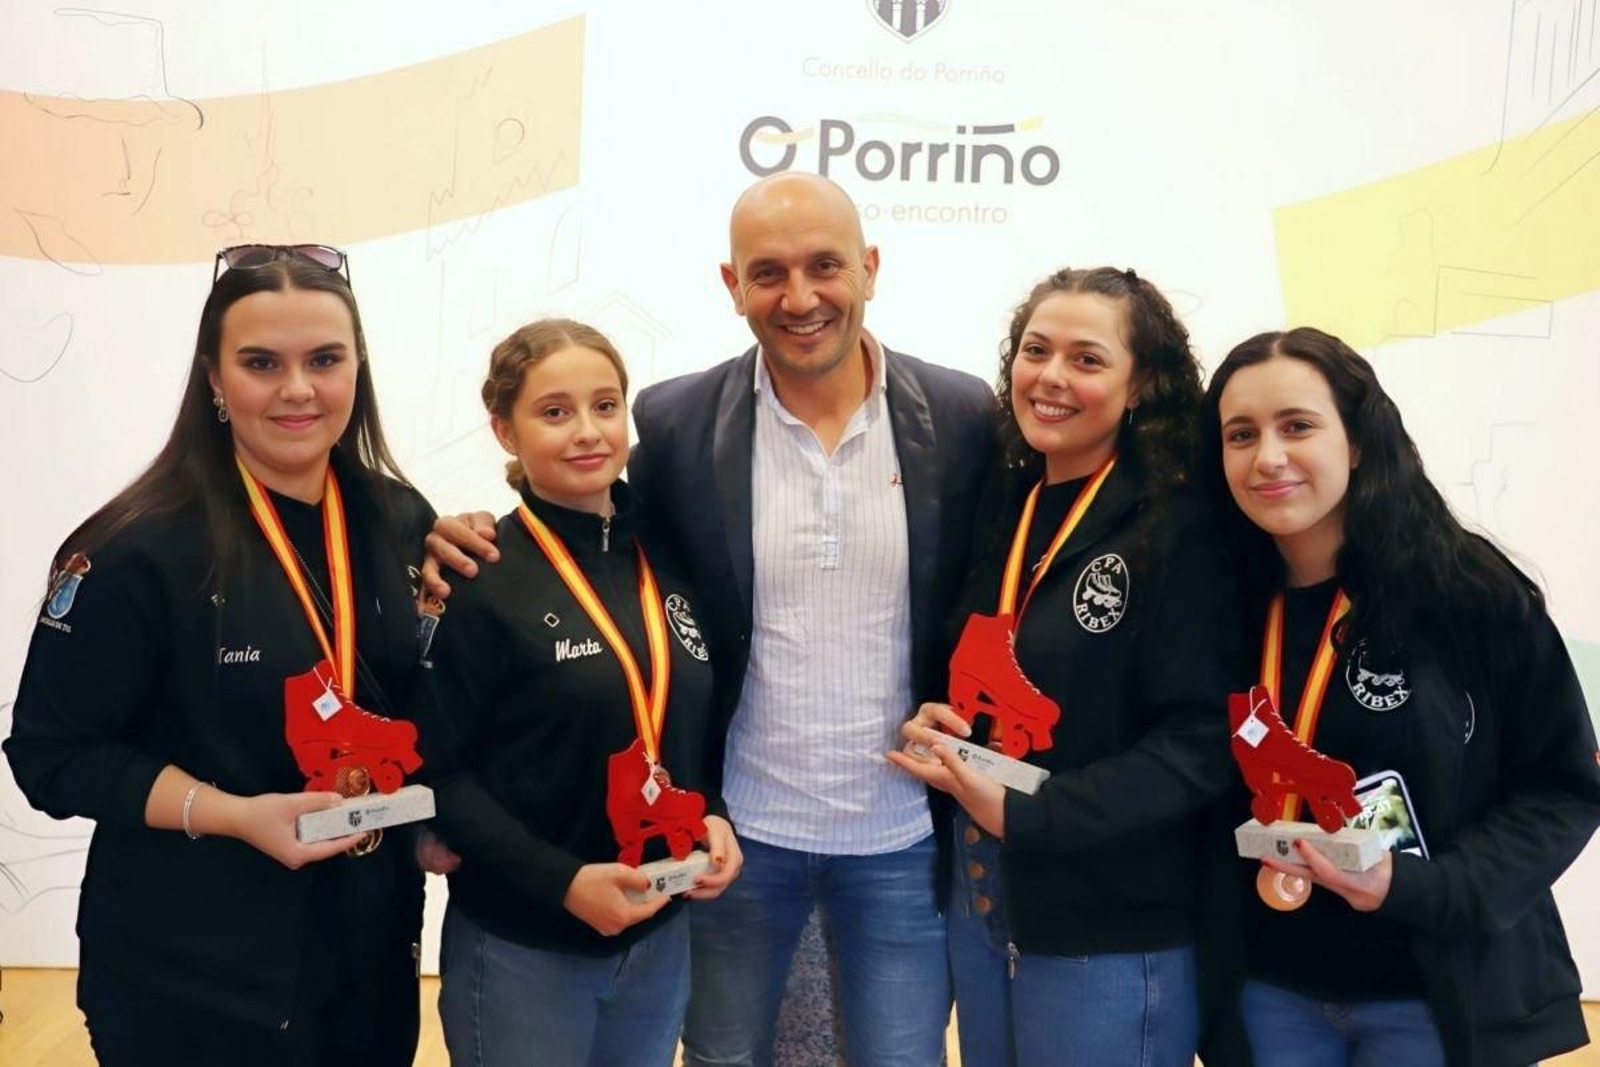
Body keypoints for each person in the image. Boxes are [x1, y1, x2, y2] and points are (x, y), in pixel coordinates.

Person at [424, 172, 996, 1066]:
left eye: (824, 266)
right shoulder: (681, 423)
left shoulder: (962, 416)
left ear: (870, 268)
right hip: (738, 836)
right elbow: (590, 553)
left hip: (897, 835)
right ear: (732, 286)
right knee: (720, 1055)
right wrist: (458, 537)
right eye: (767, 272)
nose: (799, 297)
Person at [4, 244, 435, 1065]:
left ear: (358, 367)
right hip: (192, 981)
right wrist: (233, 813)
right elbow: (51, 758)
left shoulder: (402, 519)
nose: (298, 389)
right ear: (212, 377)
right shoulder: (134, 546)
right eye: (261, 362)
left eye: (324, 359)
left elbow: (423, 703)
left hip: (368, 961)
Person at [1199, 326, 1600, 1066]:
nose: (1268, 457)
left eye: (1297, 426)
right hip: (1267, 994)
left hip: (1435, 996)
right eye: (1241, 434)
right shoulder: (1218, 600)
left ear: (1356, 441)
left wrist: (1425, 887)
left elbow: (1563, 787)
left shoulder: (1466, 590)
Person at [887, 266, 1236, 1066]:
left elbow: (1199, 741)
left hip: (1108, 927)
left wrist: (1036, 815)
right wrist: (944, 719)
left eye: (1087, 358)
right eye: (1035, 350)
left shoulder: (1180, 525)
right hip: (984, 903)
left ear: (1142, 382)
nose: (1050, 377)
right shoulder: (1004, 502)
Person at [413, 319, 741, 1066]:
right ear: (505, 429)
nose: (588, 432)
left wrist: (711, 813)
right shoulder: (478, 575)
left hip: (659, 934)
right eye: (554, 411)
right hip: (525, 945)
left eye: (606, 405)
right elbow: (436, 773)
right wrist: (561, 883)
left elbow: (684, 726)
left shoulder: (668, 553)